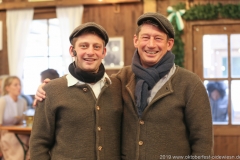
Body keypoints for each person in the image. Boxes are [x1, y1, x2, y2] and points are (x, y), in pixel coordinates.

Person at [35, 13, 213, 159]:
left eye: (158, 38)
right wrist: (49, 88)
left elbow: (202, 141)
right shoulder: (121, 79)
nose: (151, 44)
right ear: (136, 41)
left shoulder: (190, 84)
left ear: (169, 44)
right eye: (146, 37)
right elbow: (88, 83)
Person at [29, 22, 122, 160]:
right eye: (84, 46)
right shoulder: (51, 90)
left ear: (104, 52)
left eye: (96, 47)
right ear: (72, 51)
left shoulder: (117, 87)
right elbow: (38, 144)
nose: (90, 52)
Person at [0, 76, 30, 160]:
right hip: (5, 134)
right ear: (7, 88)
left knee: (34, 140)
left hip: (19, 132)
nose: (19, 87)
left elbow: (23, 122)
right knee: (17, 143)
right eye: (15, 85)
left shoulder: (23, 101)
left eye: (20, 84)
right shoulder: (2, 101)